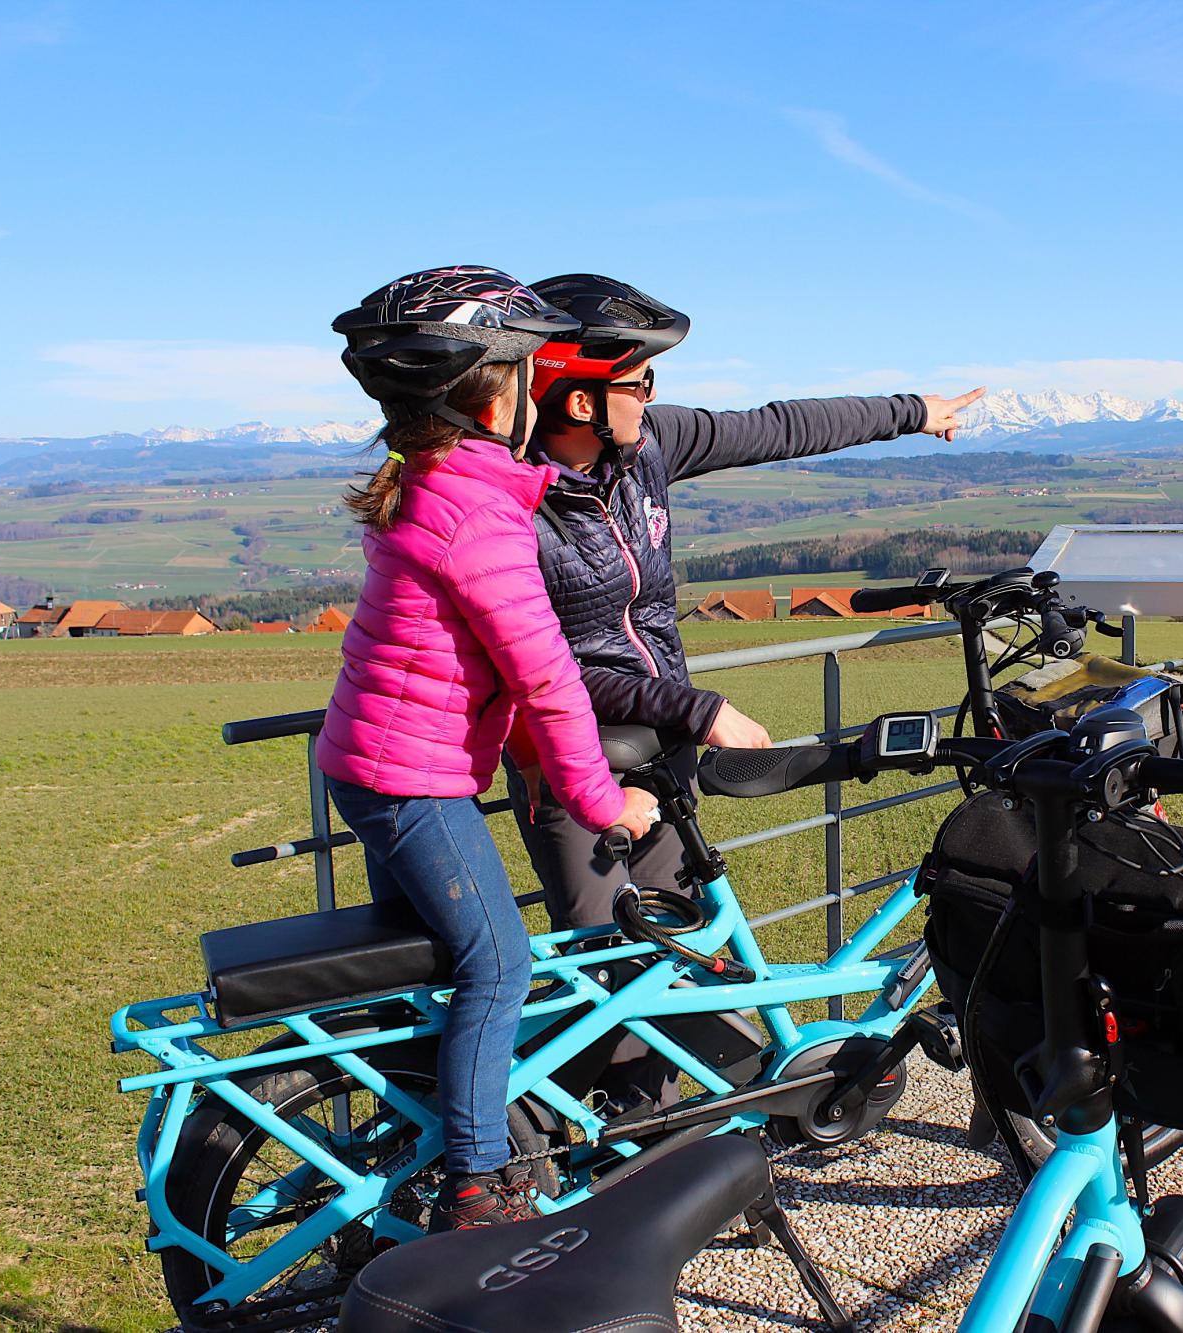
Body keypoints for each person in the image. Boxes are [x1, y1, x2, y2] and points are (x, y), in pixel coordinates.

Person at [317, 266, 660, 1231]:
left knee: (437, 962)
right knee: (499, 962)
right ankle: (477, 1185)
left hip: (377, 765)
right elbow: (548, 682)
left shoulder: (439, 485)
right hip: (412, 781)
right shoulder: (476, 516)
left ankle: (428, 1133)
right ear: (496, 393)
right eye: (525, 371)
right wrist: (605, 805)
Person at [504, 271, 984, 932]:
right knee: (605, 959)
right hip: (570, 765)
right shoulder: (509, 507)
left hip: (663, 752)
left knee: (682, 953)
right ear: (581, 402)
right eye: (640, 382)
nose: (650, 398)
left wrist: (913, 412)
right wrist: (698, 708)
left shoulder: (645, 449)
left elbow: (776, 428)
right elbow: (542, 670)